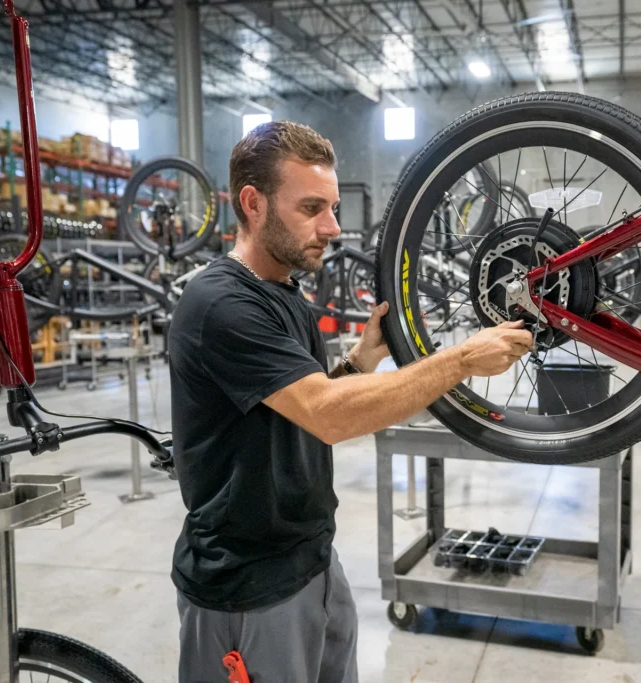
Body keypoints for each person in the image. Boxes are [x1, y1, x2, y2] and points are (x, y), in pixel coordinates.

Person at [168, 120, 533, 682]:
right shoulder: (219, 302)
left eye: (333, 207)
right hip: (247, 587)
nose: (333, 227)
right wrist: (459, 359)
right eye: (312, 207)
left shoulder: (285, 291)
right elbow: (327, 414)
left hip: (312, 560)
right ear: (253, 203)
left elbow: (295, 405)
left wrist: (360, 362)